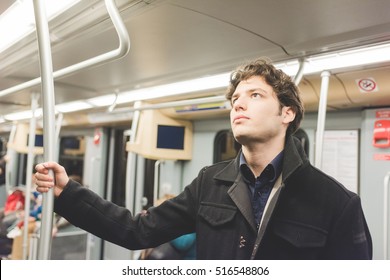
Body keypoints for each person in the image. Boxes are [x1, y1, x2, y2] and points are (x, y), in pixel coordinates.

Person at [34, 58, 372, 260]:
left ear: (288, 113)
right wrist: (69, 193)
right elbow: (136, 231)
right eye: (236, 98)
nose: (238, 104)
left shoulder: (335, 203)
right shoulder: (210, 183)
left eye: (255, 95)